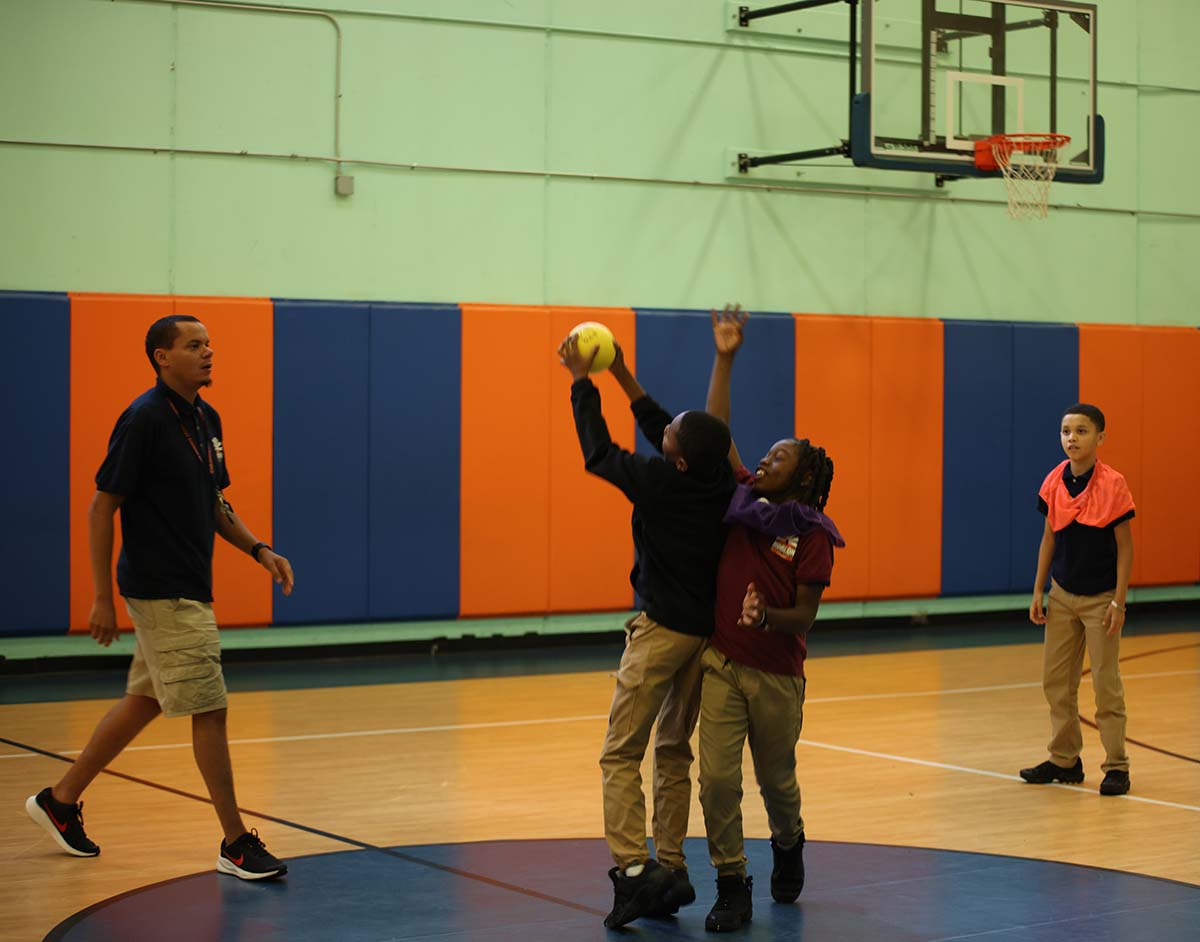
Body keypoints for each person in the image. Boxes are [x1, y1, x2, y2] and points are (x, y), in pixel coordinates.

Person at [25, 315, 295, 880]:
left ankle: (60, 799)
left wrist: (258, 549)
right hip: (163, 588)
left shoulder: (205, 418)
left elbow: (214, 501)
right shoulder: (144, 419)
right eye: (193, 345)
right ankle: (234, 842)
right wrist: (101, 598)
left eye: (209, 344)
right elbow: (103, 507)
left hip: (187, 582)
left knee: (144, 701)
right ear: (160, 357)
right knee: (210, 708)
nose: (207, 353)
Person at [557, 331, 735, 929]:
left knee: (619, 753)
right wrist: (623, 376)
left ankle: (634, 871)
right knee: (672, 750)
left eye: (669, 437)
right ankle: (673, 868)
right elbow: (667, 424)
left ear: (677, 458)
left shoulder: (660, 485)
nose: (662, 431)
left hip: (660, 633)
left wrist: (582, 381)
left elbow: (599, 453)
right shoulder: (717, 480)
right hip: (703, 636)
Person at [695, 307, 844, 932]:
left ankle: (789, 840)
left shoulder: (810, 533)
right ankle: (732, 880)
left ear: (803, 479)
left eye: (778, 457)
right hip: (723, 663)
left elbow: (805, 614)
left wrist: (767, 618)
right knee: (716, 781)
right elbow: (715, 430)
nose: (764, 458)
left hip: (778, 674)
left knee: (776, 782)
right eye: (765, 452)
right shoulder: (743, 496)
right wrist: (725, 356)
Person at [1022, 403, 1134, 796]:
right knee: (1056, 682)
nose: (1072, 438)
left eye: (1082, 431)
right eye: (1067, 431)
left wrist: (1118, 602)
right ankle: (1064, 760)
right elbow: (1050, 537)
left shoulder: (1113, 484)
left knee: (1106, 686)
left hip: (1101, 599)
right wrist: (1040, 590)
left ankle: (1117, 765)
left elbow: (1125, 549)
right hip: (1063, 596)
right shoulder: (1054, 481)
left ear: (1100, 437)